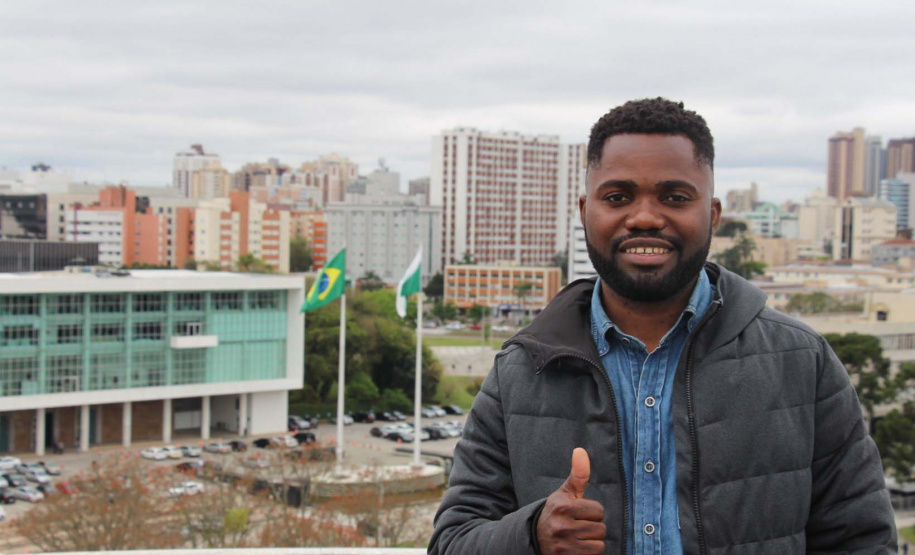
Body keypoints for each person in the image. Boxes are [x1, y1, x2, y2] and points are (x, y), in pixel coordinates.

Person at [429, 98, 897, 555]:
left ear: (713, 215)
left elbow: (862, 540)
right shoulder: (520, 371)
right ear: (584, 211)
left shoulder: (801, 362)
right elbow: (452, 541)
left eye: (675, 197)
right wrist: (532, 536)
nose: (645, 218)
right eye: (618, 197)